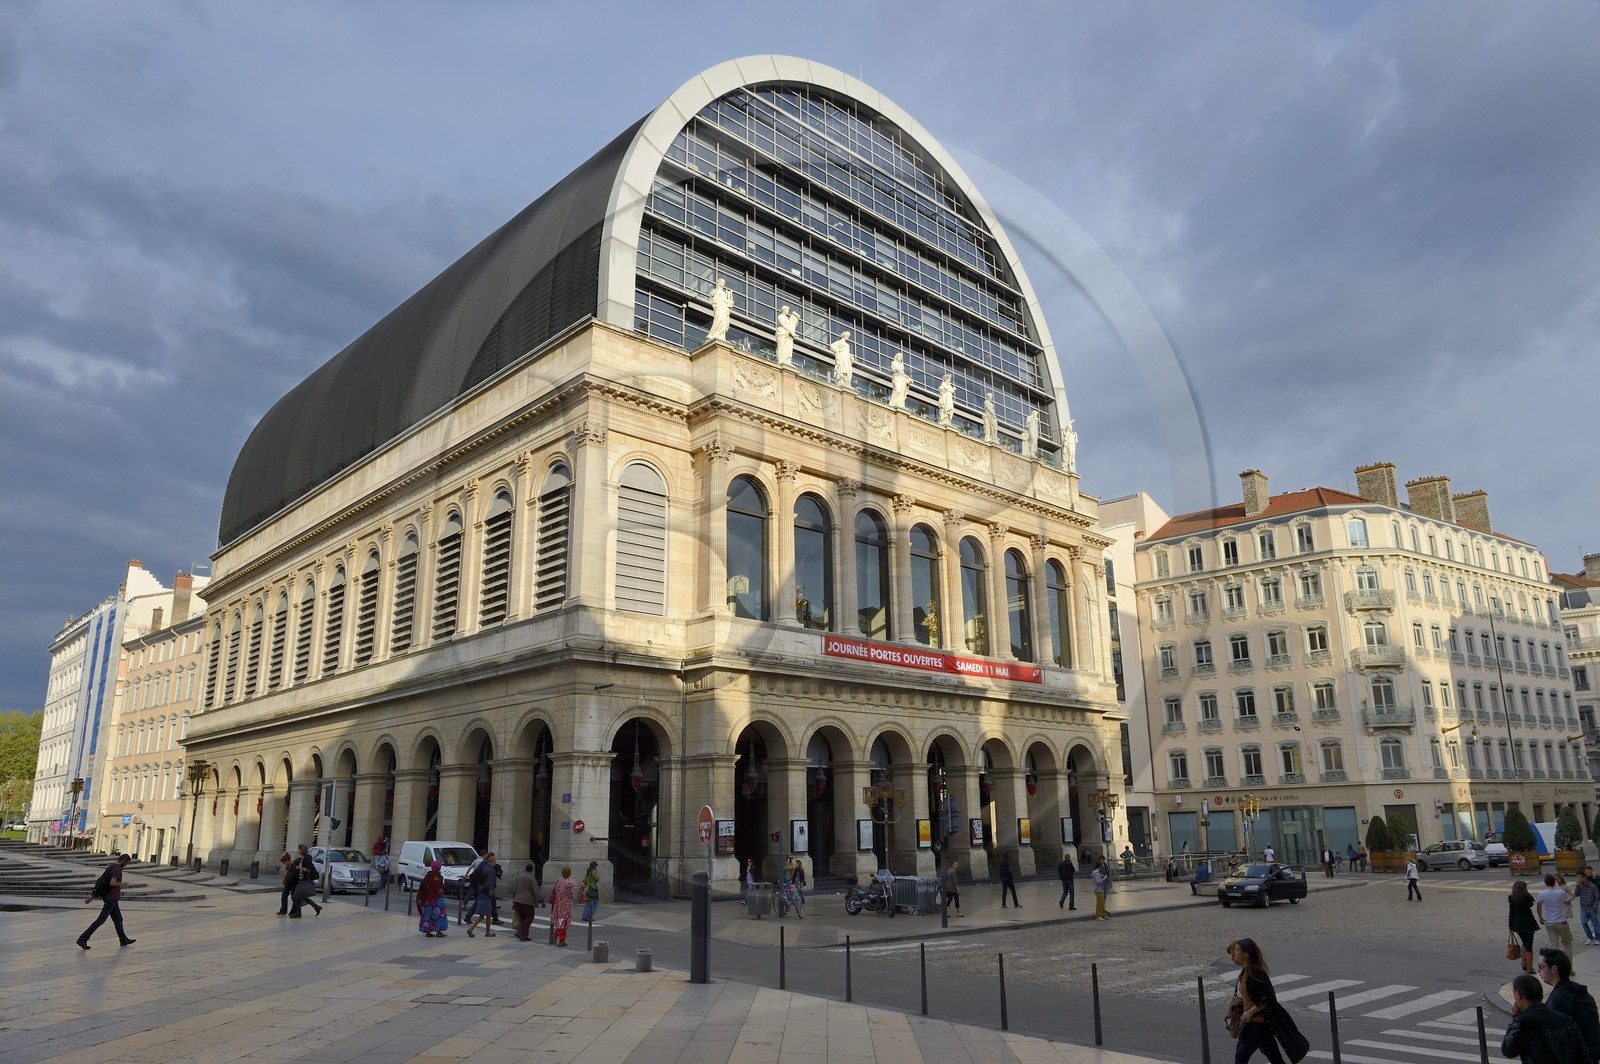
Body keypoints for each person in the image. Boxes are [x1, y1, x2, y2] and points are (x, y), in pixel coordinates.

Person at [1227, 938, 1309, 1064]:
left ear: (1246, 953)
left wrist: (1249, 1012)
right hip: (1253, 1024)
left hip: (1258, 1023)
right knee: (1275, 1059)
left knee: (1240, 1056)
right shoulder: (1245, 971)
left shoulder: (1255, 972)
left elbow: (1269, 997)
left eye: (1237, 951)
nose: (1234, 954)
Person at [1503, 972, 1588, 1064]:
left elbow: (1508, 1050)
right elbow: (1583, 1055)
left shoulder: (1525, 1022)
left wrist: (1516, 1017)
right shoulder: (1567, 1020)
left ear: (1518, 995)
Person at [1539, 948, 1600, 1061]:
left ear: (1553, 969)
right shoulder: (1580, 992)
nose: (1538, 971)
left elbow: (1556, 1041)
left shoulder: (1559, 999)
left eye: (1541, 966)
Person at [77, 853, 135, 950]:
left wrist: (93, 896)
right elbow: (112, 883)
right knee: (101, 920)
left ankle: (123, 939)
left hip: (111, 898)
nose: (126, 865)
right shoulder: (117, 869)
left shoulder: (111, 866)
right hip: (111, 899)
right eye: (126, 863)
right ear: (123, 861)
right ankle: (82, 939)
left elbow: (102, 882)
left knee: (118, 919)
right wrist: (122, 884)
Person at [466, 851, 499, 938]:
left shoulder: (484, 867)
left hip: (481, 892)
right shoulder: (491, 870)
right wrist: (490, 890)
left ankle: (486, 932)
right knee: (483, 915)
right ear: (493, 862)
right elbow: (489, 882)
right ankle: (472, 930)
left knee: (486, 915)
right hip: (486, 894)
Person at [1513, 880, 1543, 975]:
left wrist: (1510, 926)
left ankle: (1525, 963)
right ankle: (1529, 967)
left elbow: (1511, 913)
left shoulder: (1512, 898)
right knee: (1529, 945)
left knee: (1524, 943)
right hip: (1529, 924)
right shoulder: (1527, 897)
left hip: (1517, 924)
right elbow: (1531, 903)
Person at [1541, 874, 1576, 955]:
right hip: (1557, 908)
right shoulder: (1553, 889)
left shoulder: (1564, 887)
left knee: (1564, 921)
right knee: (1562, 923)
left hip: (1564, 906)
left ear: (1561, 879)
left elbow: (1572, 895)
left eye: (1558, 879)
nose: (1557, 881)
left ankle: (1568, 935)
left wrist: (1568, 900)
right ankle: (1567, 935)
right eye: (1555, 880)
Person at [510, 862, 544, 942]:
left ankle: (525, 935)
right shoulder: (531, 878)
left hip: (517, 899)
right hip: (527, 900)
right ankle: (521, 932)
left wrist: (514, 901)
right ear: (532, 870)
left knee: (523, 917)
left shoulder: (519, 876)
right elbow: (536, 890)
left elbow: (515, 889)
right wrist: (541, 900)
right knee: (530, 916)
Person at [417, 859, 448, 937]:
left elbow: (424, 885)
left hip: (428, 899)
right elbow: (439, 887)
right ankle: (439, 931)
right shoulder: (438, 876)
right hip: (437, 899)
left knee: (428, 914)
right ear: (438, 868)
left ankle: (428, 931)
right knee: (440, 914)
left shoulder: (429, 874)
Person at [289, 844, 322, 918]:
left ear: (301, 850)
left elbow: (308, 869)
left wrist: (299, 867)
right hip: (300, 879)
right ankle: (313, 908)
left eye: (298, 849)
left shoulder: (306, 859)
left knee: (297, 896)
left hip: (304, 880)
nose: (297, 851)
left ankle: (315, 907)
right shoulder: (301, 858)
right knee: (299, 896)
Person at [548, 866, 576, 946]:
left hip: (558, 904)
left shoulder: (559, 881)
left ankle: (561, 940)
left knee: (561, 921)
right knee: (564, 922)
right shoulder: (569, 883)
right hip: (566, 905)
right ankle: (557, 935)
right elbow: (571, 894)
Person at [1577, 868, 1600, 947]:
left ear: (1584, 877)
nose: (1579, 879)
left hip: (1592, 908)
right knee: (1583, 922)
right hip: (1583, 908)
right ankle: (1590, 937)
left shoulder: (1592, 886)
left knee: (1595, 924)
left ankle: (1598, 939)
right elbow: (1576, 894)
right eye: (1578, 877)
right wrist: (1577, 885)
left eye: (1580, 877)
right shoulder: (1580, 886)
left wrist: (1595, 908)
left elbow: (1597, 897)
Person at [706, 277, 732, 342]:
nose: (723, 284)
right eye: (722, 282)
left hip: (724, 306)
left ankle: (721, 336)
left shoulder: (724, 292)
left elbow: (728, 300)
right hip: (719, 306)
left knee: (723, 321)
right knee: (719, 319)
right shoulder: (716, 290)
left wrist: (729, 299)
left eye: (724, 283)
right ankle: (711, 334)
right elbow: (711, 296)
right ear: (719, 283)